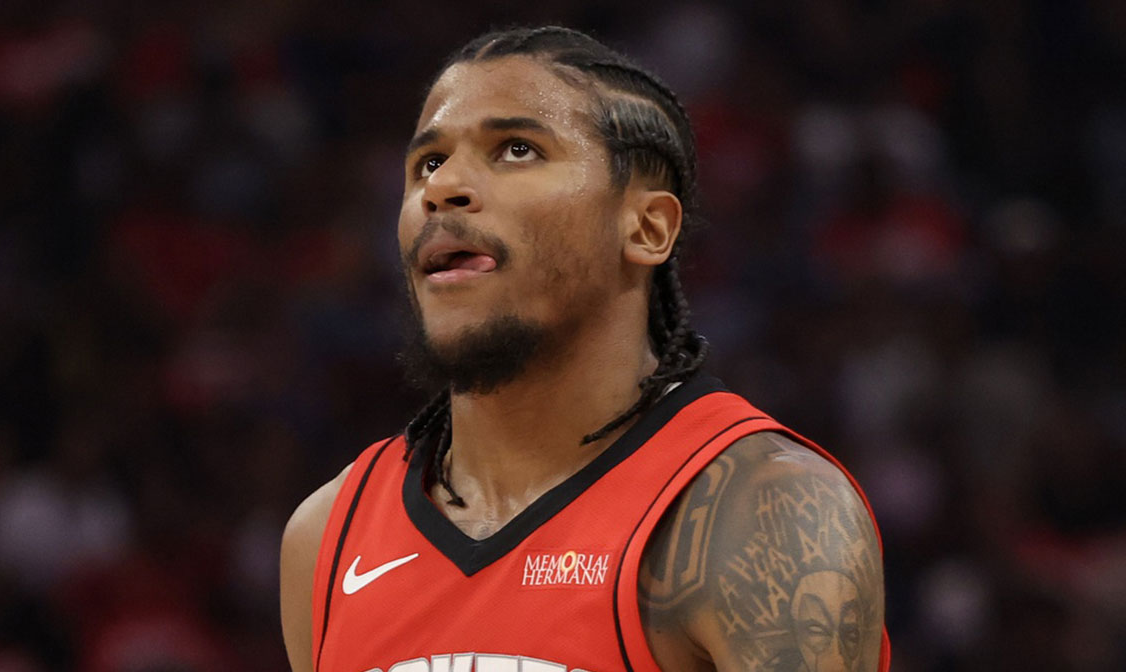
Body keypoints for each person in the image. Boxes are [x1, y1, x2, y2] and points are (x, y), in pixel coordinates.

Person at [281, 26, 889, 672]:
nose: (443, 186)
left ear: (647, 227)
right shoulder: (325, 537)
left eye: (516, 149)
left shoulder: (758, 513)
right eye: (427, 163)